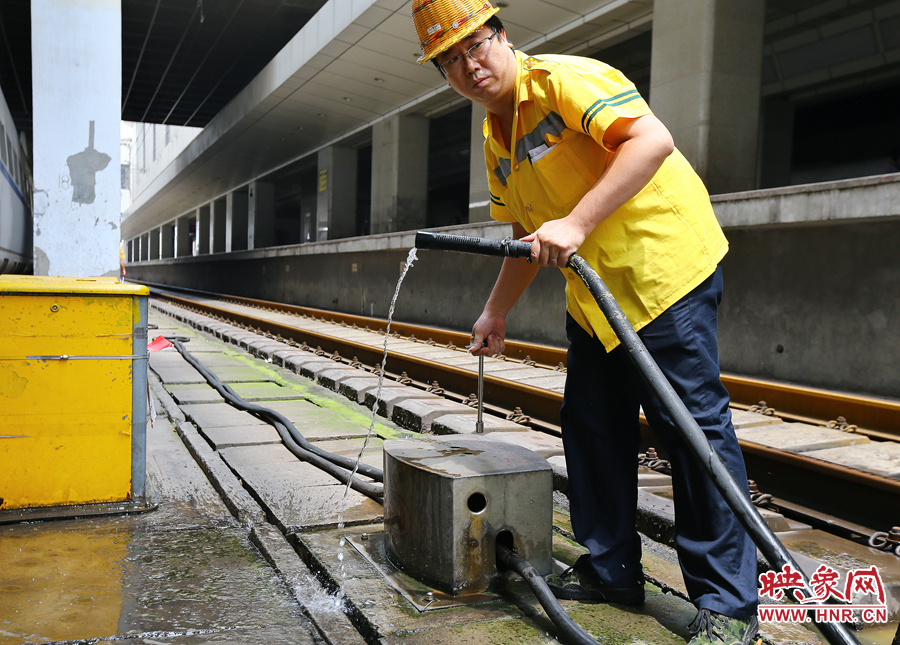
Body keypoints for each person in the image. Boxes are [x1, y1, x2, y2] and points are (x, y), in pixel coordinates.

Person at [410, 1, 760, 644]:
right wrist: (496, 309)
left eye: (476, 45)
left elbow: (651, 140)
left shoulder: (566, 80)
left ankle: (730, 605)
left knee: (691, 434)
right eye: (450, 60)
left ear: (502, 36)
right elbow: (522, 230)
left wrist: (575, 222)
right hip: (596, 301)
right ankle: (613, 572)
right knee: (593, 428)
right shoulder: (496, 136)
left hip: (662, 276)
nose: (468, 65)